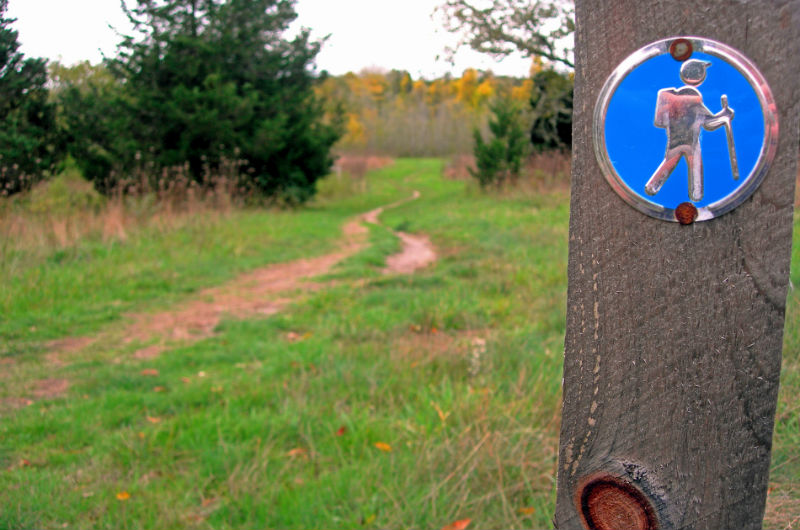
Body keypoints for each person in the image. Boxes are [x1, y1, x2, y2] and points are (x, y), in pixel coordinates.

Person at [645, 59, 734, 202]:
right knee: (695, 165)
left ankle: (652, 187)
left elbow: (660, 122)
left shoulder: (668, 97)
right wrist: (724, 115)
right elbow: (709, 123)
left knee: (670, 161)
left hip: (674, 139)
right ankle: (697, 194)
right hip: (691, 141)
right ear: (699, 76)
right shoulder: (693, 98)